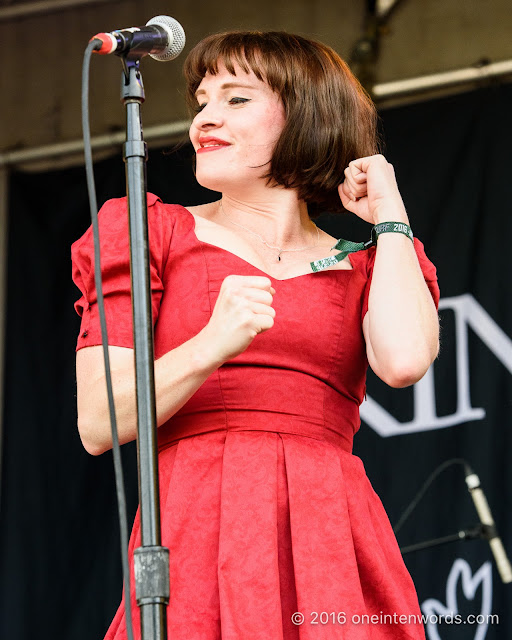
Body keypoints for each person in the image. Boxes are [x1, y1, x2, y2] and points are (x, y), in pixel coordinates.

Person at [72, 30, 440, 640]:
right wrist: (211, 344)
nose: (204, 119)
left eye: (236, 100)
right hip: (198, 527)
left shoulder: (369, 259)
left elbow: (403, 360)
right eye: (201, 102)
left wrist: (390, 218)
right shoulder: (146, 230)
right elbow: (97, 421)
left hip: (327, 536)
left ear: (307, 117)